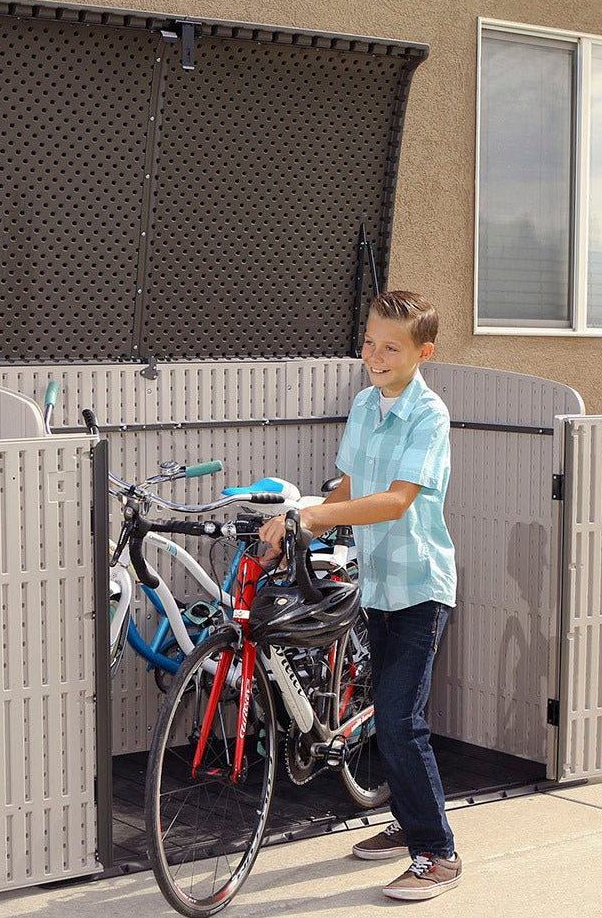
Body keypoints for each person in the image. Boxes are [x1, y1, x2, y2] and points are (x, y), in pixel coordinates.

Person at [259, 290, 460, 901]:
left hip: (421, 588)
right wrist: (291, 517)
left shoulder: (429, 415)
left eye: (390, 346)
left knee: (401, 719)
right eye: (369, 341)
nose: (374, 353)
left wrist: (317, 520)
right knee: (391, 715)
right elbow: (345, 488)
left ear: (423, 352)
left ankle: (438, 853)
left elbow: (398, 500)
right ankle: (408, 828)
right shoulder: (365, 404)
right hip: (376, 584)